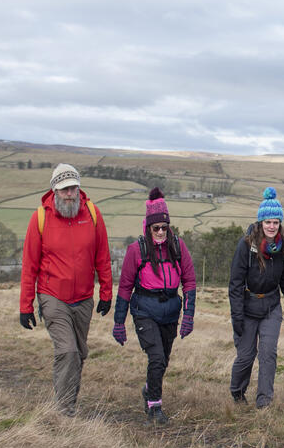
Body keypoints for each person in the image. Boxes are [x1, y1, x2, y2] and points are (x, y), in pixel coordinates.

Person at [19, 163, 113, 415]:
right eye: (64, 189)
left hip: (83, 299)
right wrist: (25, 306)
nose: (70, 193)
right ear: (54, 190)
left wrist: (105, 294)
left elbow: (102, 257)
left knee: (79, 353)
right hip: (53, 297)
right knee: (68, 351)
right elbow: (29, 265)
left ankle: (66, 402)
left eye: (73, 188)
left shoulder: (92, 214)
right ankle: (64, 412)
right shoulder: (40, 218)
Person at [111, 188, 197, 424]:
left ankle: (149, 388)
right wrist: (119, 322)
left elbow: (189, 282)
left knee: (164, 360)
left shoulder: (179, 248)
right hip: (144, 311)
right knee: (156, 358)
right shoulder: (136, 250)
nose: (160, 232)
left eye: (164, 227)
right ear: (147, 228)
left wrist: (188, 316)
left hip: (170, 311)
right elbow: (125, 287)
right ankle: (154, 406)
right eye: (155, 228)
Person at [228, 188, 284, 409]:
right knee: (246, 356)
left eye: (276, 222)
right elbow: (235, 283)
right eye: (268, 222)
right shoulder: (246, 246)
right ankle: (237, 392)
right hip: (247, 308)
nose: (271, 226)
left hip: (271, 307)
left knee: (268, 354)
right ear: (260, 222)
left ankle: (264, 401)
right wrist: (237, 316)